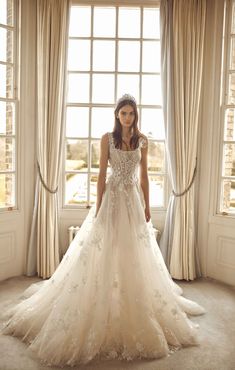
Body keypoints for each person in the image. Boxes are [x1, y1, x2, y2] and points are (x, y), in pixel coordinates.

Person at [1, 94, 205, 367]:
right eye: (124, 113)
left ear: (136, 115)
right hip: (110, 201)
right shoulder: (107, 139)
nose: (128, 118)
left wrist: (146, 205)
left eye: (132, 113)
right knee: (104, 249)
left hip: (132, 201)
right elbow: (99, 175)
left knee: (133, 252)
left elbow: (144, 176)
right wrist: (98, 207)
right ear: (117, 115)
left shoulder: (142, 141)